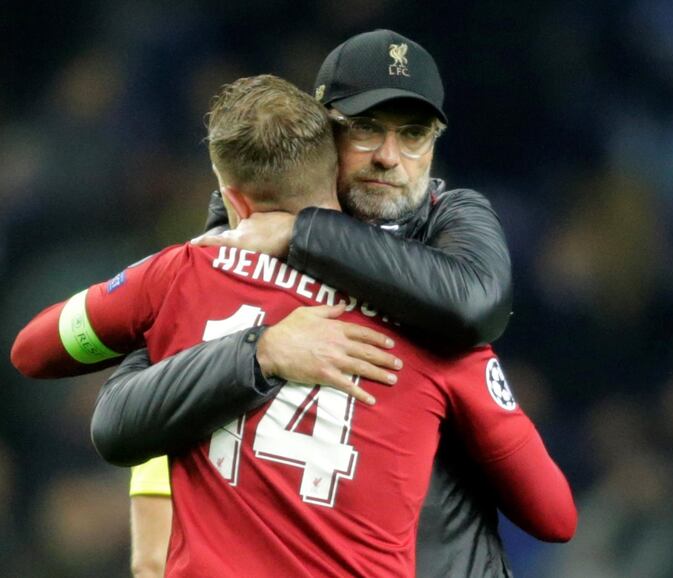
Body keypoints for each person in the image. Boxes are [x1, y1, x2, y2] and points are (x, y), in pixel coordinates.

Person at [12, 73, 576, 577]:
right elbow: (554, 514)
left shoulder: (182, 274)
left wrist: (218, 343)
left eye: (413, 134)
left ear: (231, 197)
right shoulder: (438, 331)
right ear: (335, 166)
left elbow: (34, 351)